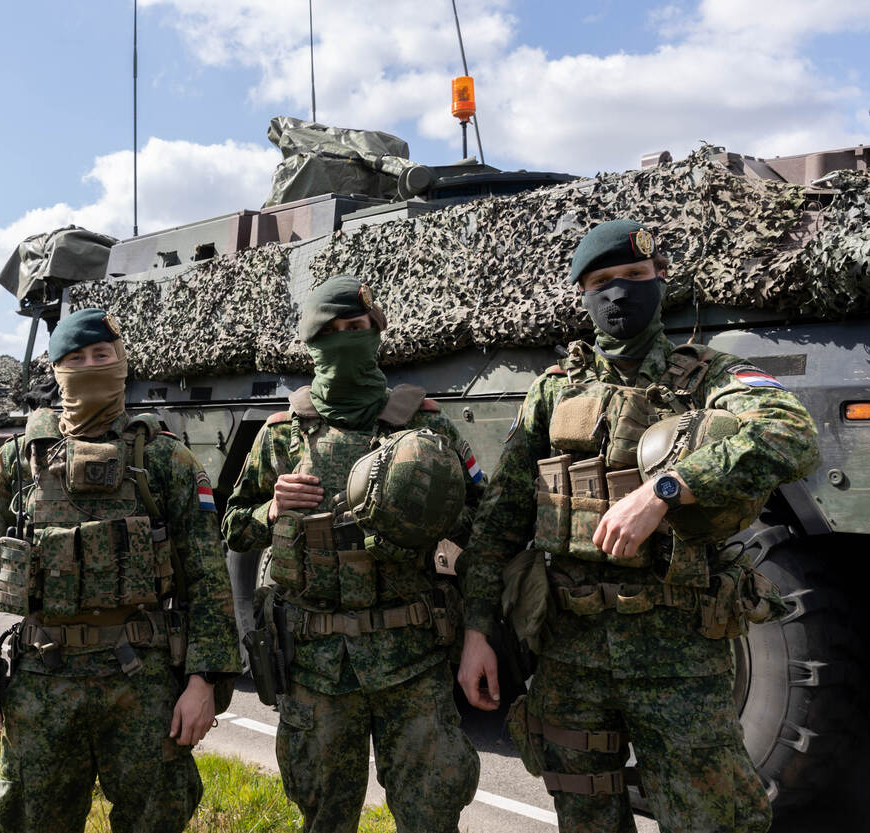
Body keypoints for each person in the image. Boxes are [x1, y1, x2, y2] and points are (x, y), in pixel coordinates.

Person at [456, 219, 820, 833]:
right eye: (601, 282)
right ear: (582, 295)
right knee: (584, 811)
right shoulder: (553, 392)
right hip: (569, 652)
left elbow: (792, 434)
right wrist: (476, 633)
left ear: (660, 282)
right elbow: (499, 524)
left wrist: (666, 490)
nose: (619, 294)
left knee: (714, 818)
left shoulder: (710, 377)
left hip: (677, 650)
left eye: (634, 277)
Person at [0, 308, 240, 833]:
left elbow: (210, 581)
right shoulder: (17, 462)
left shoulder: (167, 461)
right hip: (42, 683)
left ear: (123, 363)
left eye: (103, 355)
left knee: (155, 819)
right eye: (76, 358)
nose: (91, 365)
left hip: (142, 685)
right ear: (56, 371)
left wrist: (202, 682)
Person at [222, 274, 485, 833]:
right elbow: (232, 530)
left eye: (358, 327)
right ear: (313, 344)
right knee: (324, 816)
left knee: (432, 815)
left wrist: (431, 519)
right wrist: (270, 511)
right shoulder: (279, 436)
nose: (347, 338)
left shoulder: (426, 425)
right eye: (333, 331)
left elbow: (482, 528)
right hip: (317, 669)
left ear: (376, 333)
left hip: (412, 661)